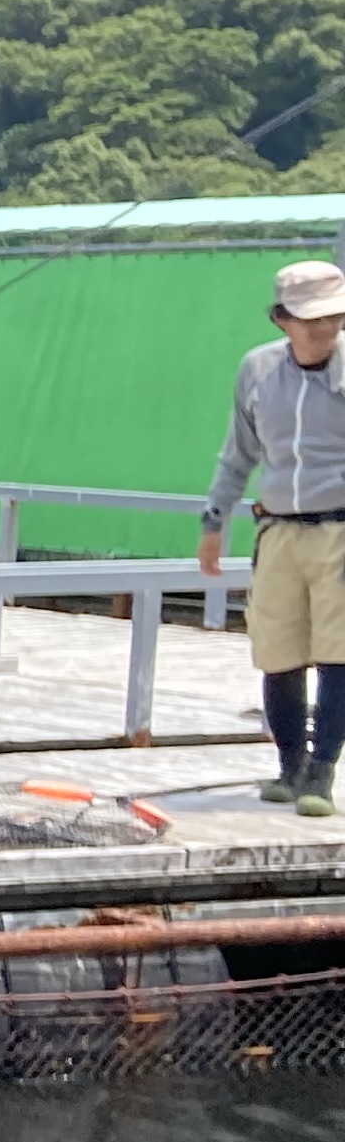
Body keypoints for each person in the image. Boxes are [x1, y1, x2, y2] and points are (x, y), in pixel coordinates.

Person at [199, 256, 345, 814]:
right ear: (282, 319)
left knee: (338, 654)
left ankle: (321, 772)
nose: (324, 329)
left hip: (339, 529)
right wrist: (214, 521)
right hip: (279, 530)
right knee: (278, 652)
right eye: (311, 319)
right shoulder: (257, 370)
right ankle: (288, 766)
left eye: (333, 318)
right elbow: (238, 453)